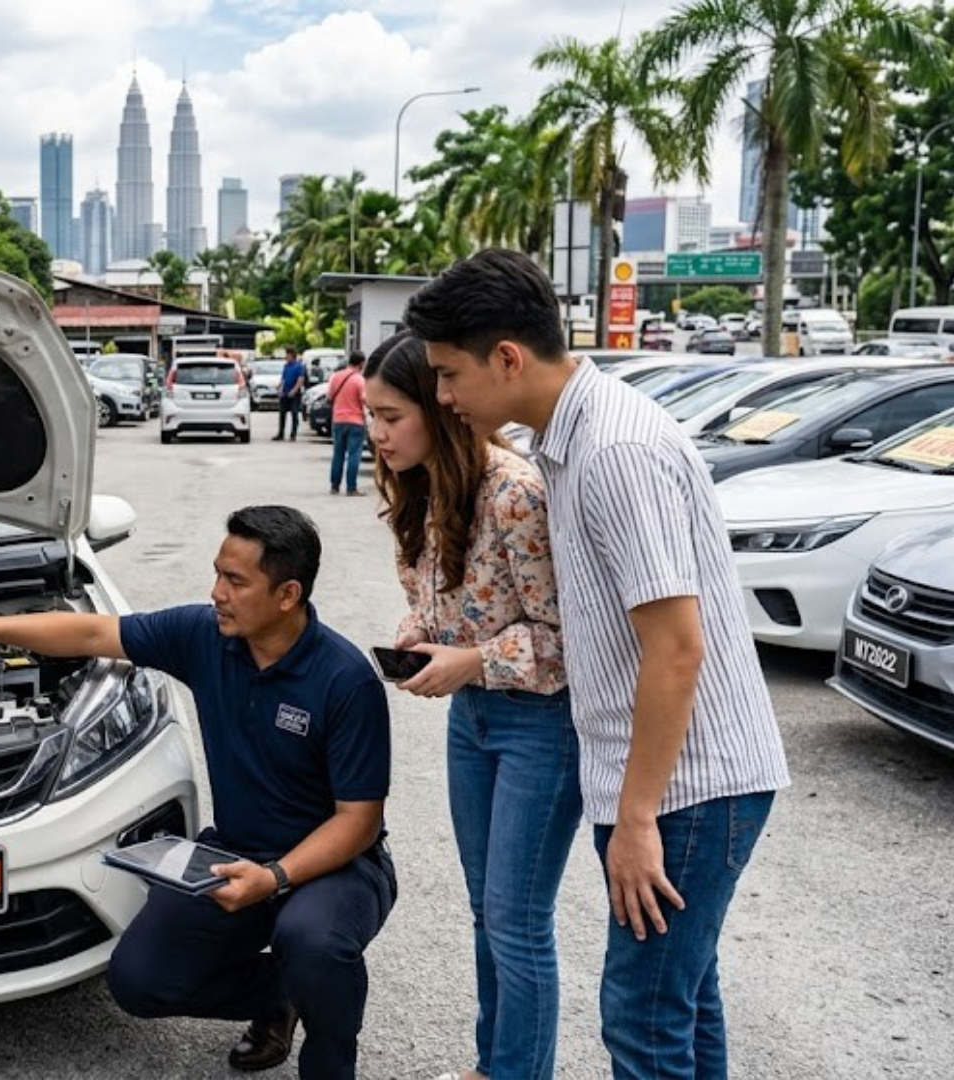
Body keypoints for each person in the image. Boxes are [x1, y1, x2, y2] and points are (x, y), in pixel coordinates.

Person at [404, 249, 790, 1080]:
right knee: (684, 1003)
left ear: (508, 358)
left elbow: (677, 647)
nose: (443, 396)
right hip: (664, 777)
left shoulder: (614, 449)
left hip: (688, 786)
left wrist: (638, 818)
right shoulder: (569, 438)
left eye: (449, 373)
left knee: (643, 1019)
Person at [0, 506, 395, 1079]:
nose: (216, 593)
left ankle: (328, 1053)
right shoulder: (204, 636)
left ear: (288, 595)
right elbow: (94, 633)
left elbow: (358, 821)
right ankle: (280, 997)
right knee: (140, 980)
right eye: (217, 574)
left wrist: (274, 878)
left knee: (312, 942)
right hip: (234, 853)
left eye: (235, 582)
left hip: (334, 868)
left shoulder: (345, 680)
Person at [362, 330, 581, 1080]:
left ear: (438, 410)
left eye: (392, 416)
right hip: (474, 718)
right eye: (370, 415)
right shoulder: (419, 490)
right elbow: (441, 604)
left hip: (541, 724)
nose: (376, 432)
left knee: (518, 921)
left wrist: (474, 660)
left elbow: (569, 636)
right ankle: (495, 1065)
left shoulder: (516, 493)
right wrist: (419, 634)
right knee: (489, 912)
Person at [326, 352, 366, 495]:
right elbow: (364, 400)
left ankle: (334, 486)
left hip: (338, 420)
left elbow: (329, 396)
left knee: (338, 454)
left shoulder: (336, 376)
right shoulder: (359, 380)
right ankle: (351, 487)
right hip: (356, 421)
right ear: (361, 363)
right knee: (354, 455)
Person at [275, 345, 307, 441]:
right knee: (282, 413)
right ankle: (281, 433)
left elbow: (300, 380)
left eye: (287, 355)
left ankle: (293, 434)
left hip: (295, 394)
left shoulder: (299, 366)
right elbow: (284, 379)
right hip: (285, 393)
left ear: (292, 355)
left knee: (294, 413)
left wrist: (294, 390)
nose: (286, 357)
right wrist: (280, 387)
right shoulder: (286, 366)